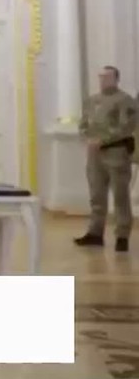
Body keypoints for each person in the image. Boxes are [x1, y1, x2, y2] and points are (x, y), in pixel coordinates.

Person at [75, 65, 137, 252]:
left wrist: (105, 139)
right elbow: (83, 124)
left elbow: (127, 126)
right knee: (96, 195)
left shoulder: (125, 100)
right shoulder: (91, 101)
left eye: (108, 77)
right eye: (101, 77)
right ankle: (95, 232)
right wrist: (88, 138)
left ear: (116, 79)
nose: (103, 80)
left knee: (120, 195)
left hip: (116, 152)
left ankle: (122, 235)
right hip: (95, 154)